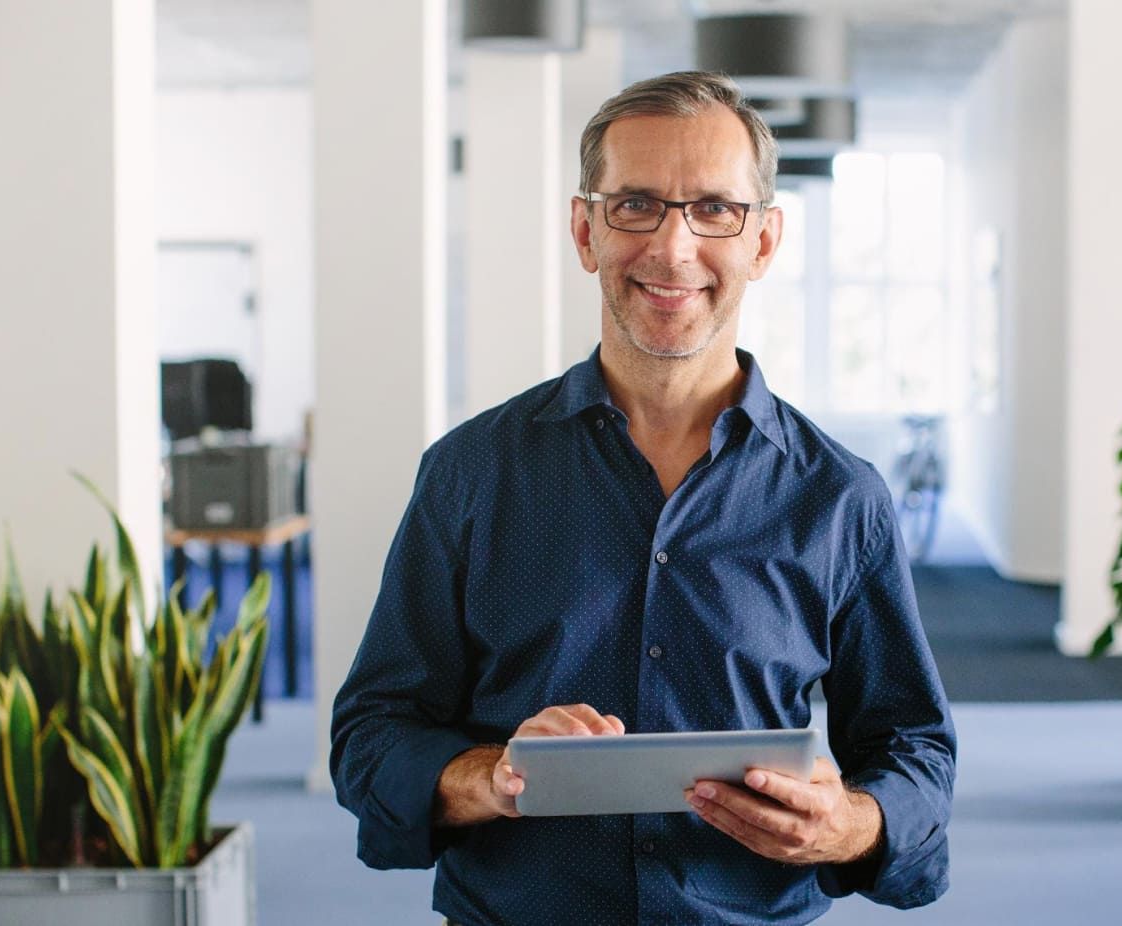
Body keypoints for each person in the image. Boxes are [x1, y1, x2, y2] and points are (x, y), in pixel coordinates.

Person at [330, 70, 956, 926]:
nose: (672, 248)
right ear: (585, 230)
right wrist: (492, 780)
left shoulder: (839, 497)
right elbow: (373, 735)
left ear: (763, 242)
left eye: (714, 209)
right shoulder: (469, 475)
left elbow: (912, 747)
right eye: (635, 206)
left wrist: (851, 824)